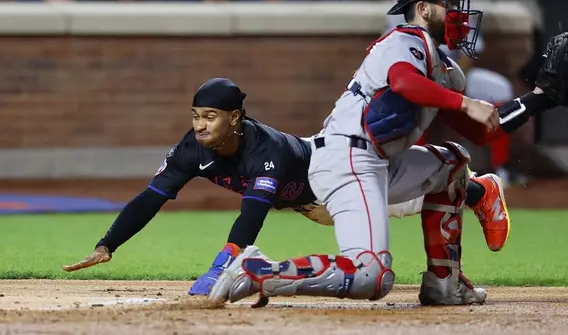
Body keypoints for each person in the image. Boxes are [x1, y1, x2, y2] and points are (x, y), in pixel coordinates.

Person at [208, 0, 568, 308]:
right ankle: (259, 270)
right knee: (371, 276)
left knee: (451, 165)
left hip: (375, 162)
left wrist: (539, 100)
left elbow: (481, 132)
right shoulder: (404, 39)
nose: (459, 13)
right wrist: (465, 103)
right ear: (423, 7)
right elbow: (403, 82)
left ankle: (443, 283)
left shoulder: (445, 69)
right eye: (449, 3)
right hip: (346, 160)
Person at [63, 76, 509, 297]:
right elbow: (151, 198)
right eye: (196, 115)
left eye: (210, 117)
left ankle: (480, 191)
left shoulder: (265, 147)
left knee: (404, 203)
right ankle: (476, 193)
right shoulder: (190, 149)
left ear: (235, 118)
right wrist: (109, 244)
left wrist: (222, 266)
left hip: (333, 174)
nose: (199, 125)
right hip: (307, 203)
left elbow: (253, 211)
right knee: (403, 204)